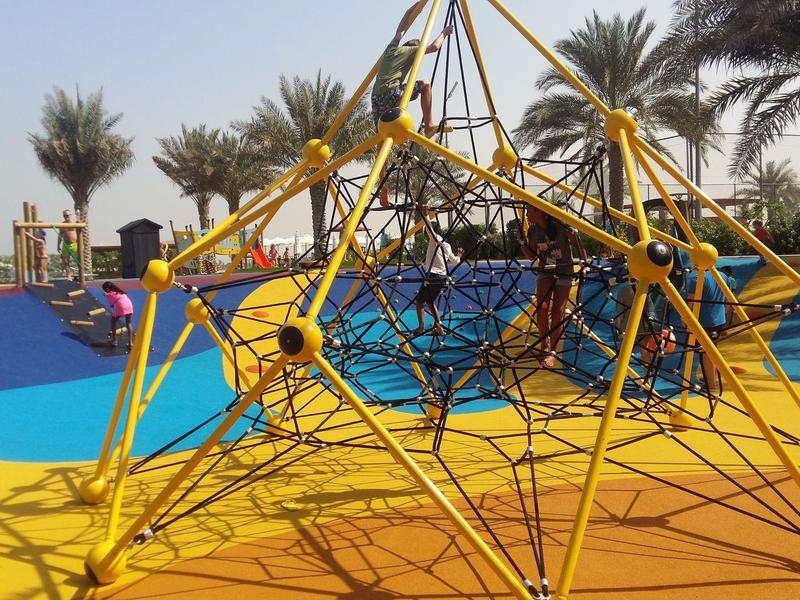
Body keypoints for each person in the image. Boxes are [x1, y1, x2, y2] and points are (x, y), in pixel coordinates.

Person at [373, 4, 453, 207]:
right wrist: (445, 32)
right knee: (425, 85)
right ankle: (429, 125)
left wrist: (419, 5)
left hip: (376, 98)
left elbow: (405, 19)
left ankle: (383, 189)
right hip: (392, 94)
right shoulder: (412, 50)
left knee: (382, 142)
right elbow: (434, 47)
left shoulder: (393, 47)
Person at [519, 204, 586, 368]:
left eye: (529, 211)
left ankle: (552, 352)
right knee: (542, 307)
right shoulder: (533, 231)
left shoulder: (559, 227)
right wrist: (522, 243)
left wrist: (585, 263)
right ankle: (544, 346)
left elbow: (576, 241)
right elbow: (533, 257)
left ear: (539, 210)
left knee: (558, 311)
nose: (526, 215)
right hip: (545, 271)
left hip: (564, 270)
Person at [415, 217, 462, 336]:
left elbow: (430, 232)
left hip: (432, 276)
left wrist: (425, 215)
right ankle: (439, 328)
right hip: (442, 277)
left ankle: (421, 327)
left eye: (426, 233)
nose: (426, 236)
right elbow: (455, 261)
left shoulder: (434, 239)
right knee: (430, 301)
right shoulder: (446, 245)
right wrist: (459, 255)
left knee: (419, 302)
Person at [684, 269, 726, 395]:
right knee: (712, 351)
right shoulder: (722, 276)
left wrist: (685, 318)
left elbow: (691, 302)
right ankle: (711, 379)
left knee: (705, 353)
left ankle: (711, 384)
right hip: (718, 318)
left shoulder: (696, 279)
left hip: (704, 320)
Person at [102, 281, 134, 350]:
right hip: (129, 305)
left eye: (104, 289)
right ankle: (130, 343)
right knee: (128, 323)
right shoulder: (120, 291)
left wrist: (106, 295)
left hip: (122, 307)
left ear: (107, 289)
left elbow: (111, 304)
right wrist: (107, 294)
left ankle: (114, 341)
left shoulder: (109, 294)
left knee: (113, 321)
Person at [57, 209, 79, 279]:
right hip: (66, 244)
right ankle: (69, 276)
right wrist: (58, 245)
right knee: (66, 261)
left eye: (67, 215)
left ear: (70, 215)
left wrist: (82, 244)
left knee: (78, 259)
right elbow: (60, 235)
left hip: (74, 244)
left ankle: (81, 274)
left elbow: (81, 233)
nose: (66, 216)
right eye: (65, 215)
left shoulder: (75, 223)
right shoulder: (62, 225)